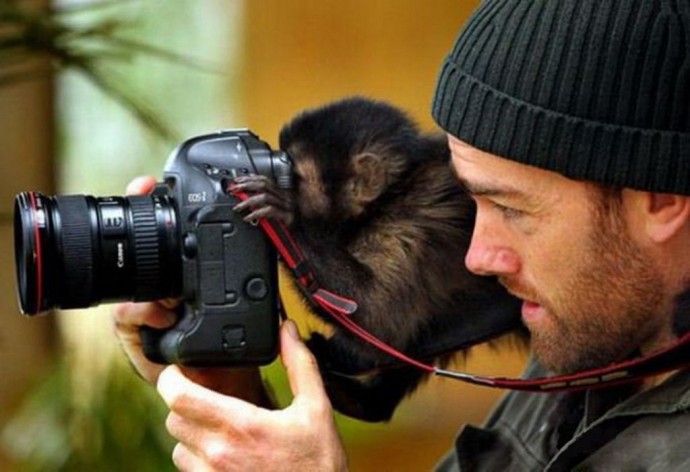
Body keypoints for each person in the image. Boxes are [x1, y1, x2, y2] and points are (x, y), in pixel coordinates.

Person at [114, 0, 690, 470]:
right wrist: (234, 393)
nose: (477, 256)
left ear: (660, 201)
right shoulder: (588, 342)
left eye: (513, 209)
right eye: (472, 197)